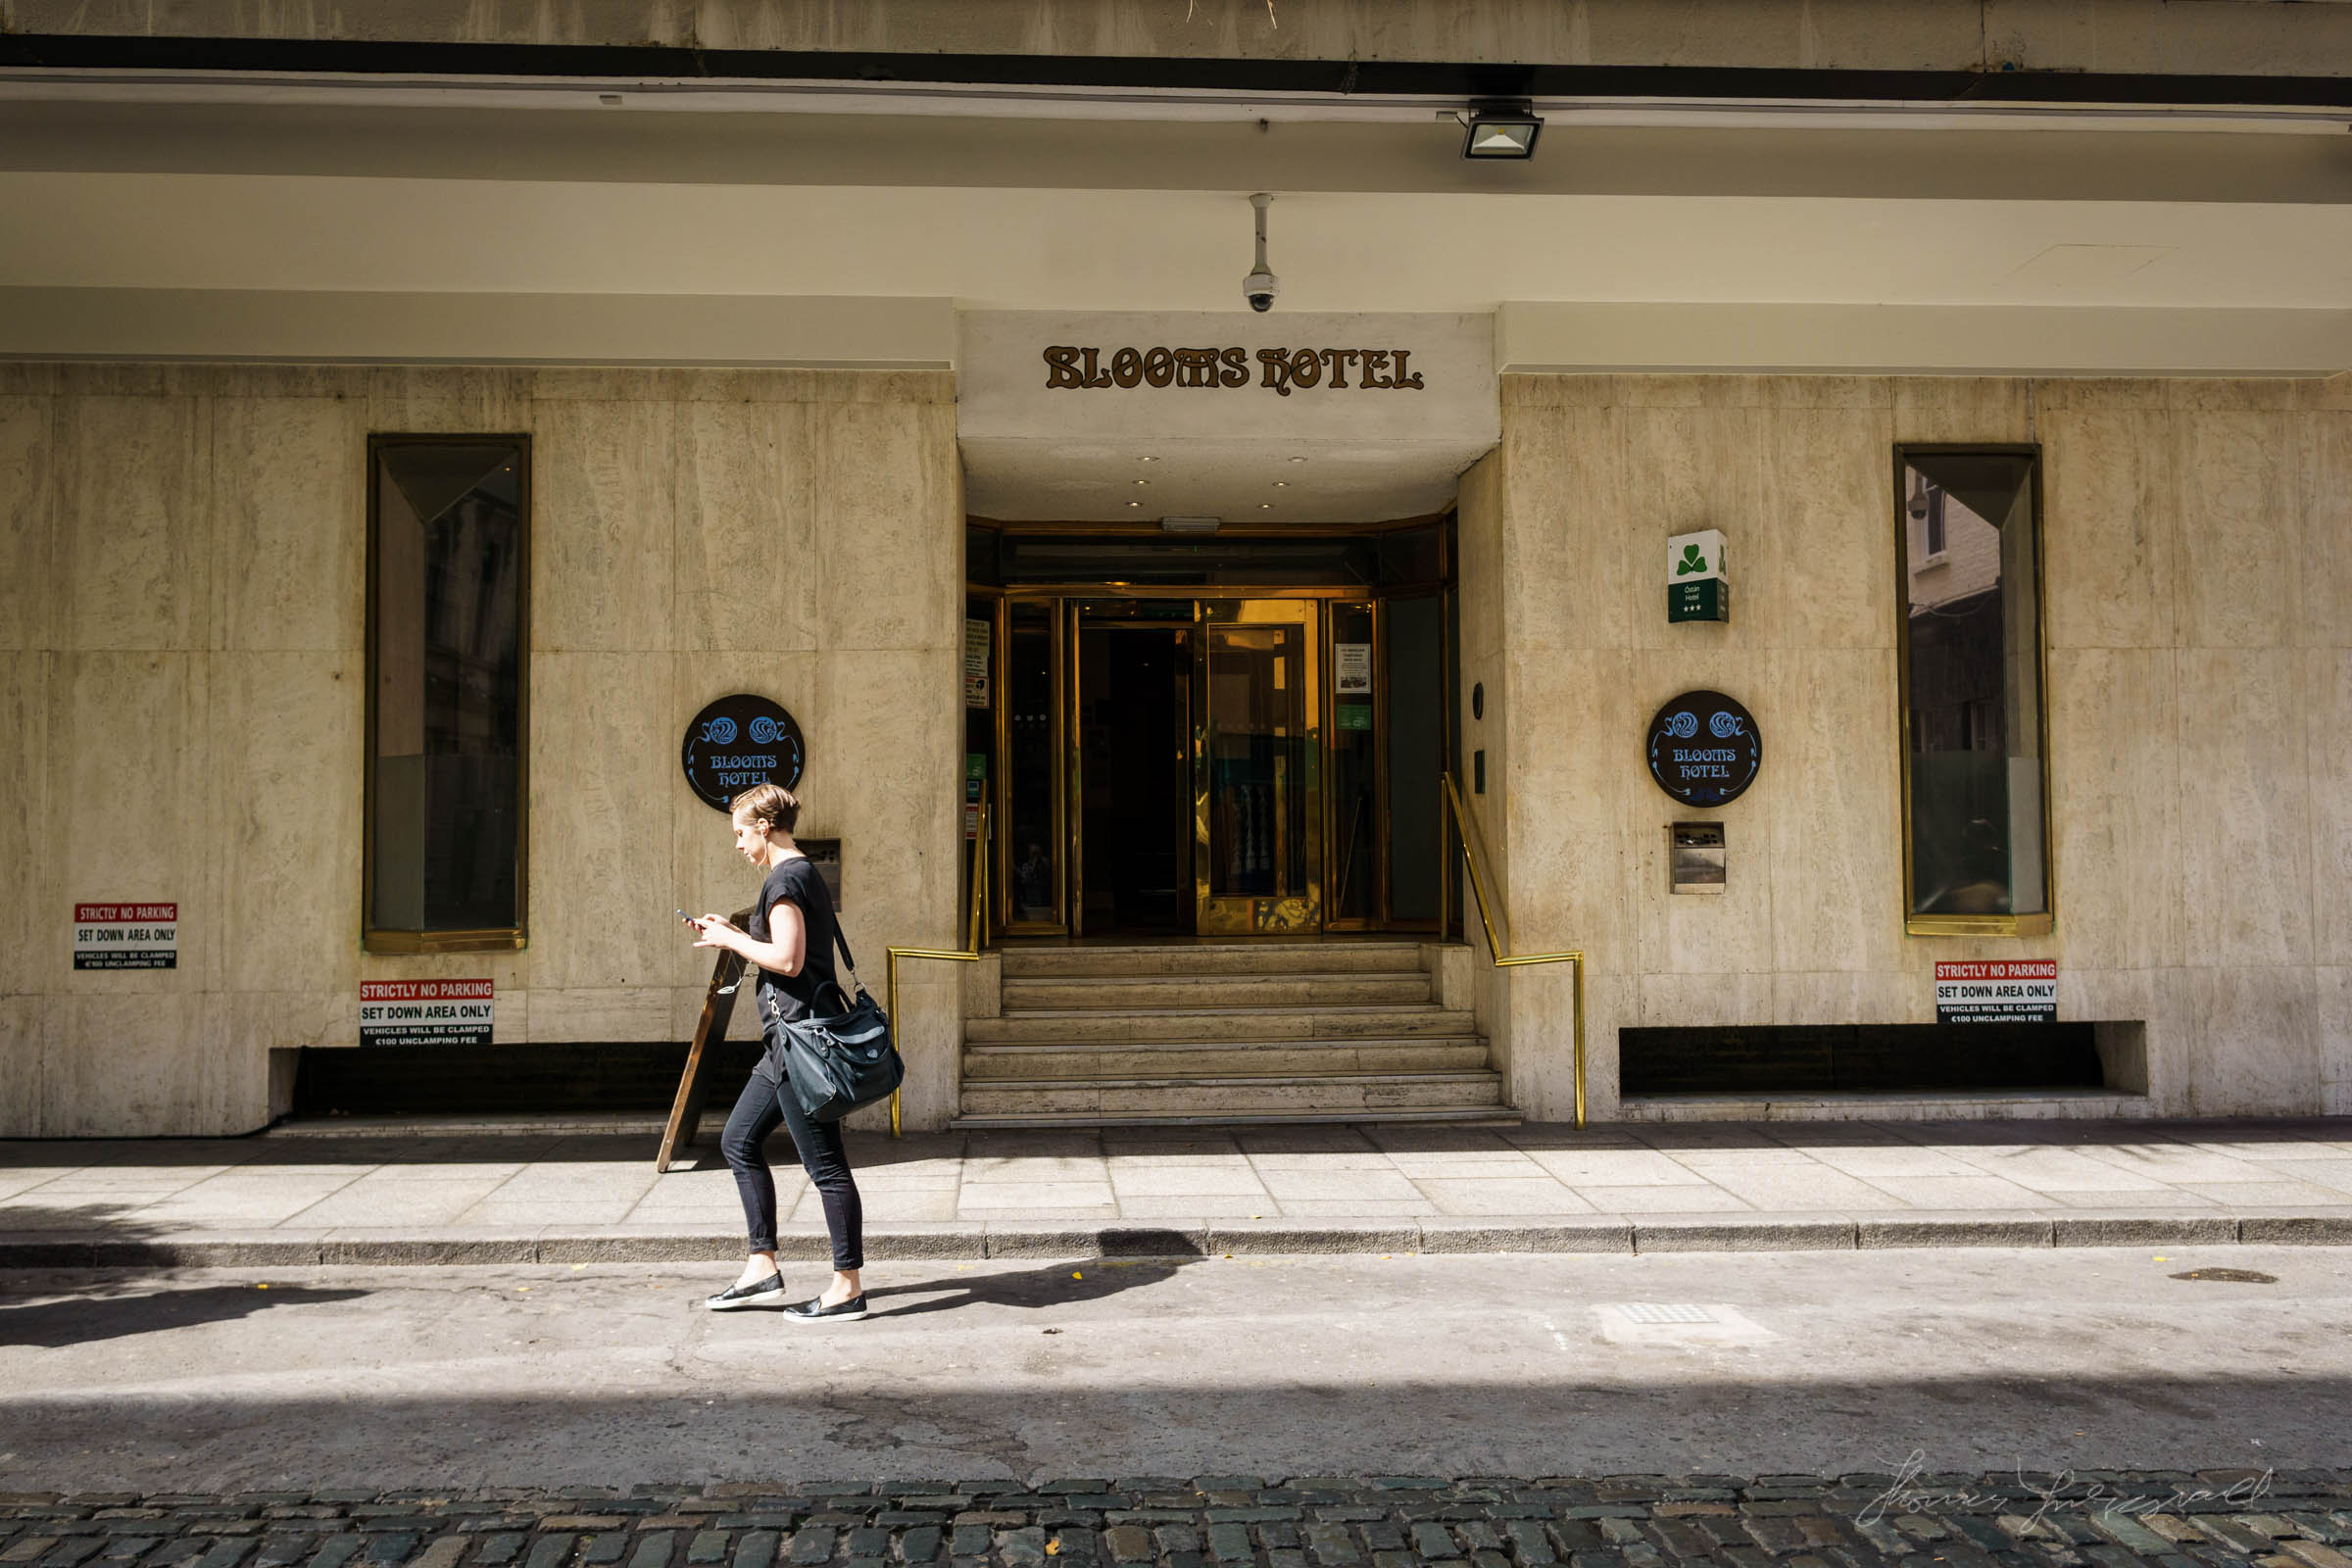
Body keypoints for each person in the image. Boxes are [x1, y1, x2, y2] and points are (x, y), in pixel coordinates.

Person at [683, 782, 867, 1322]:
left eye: (741, 832)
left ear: (764, 827)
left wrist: (731, 942)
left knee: (826, 1166)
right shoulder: (801, 875)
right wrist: (735, 929)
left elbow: (786, 960)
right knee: (739, 1140)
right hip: (787, 1041)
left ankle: (847, 1285)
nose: (738, 844)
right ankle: (762, 1266)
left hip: (798, 1044)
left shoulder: (785, 878)